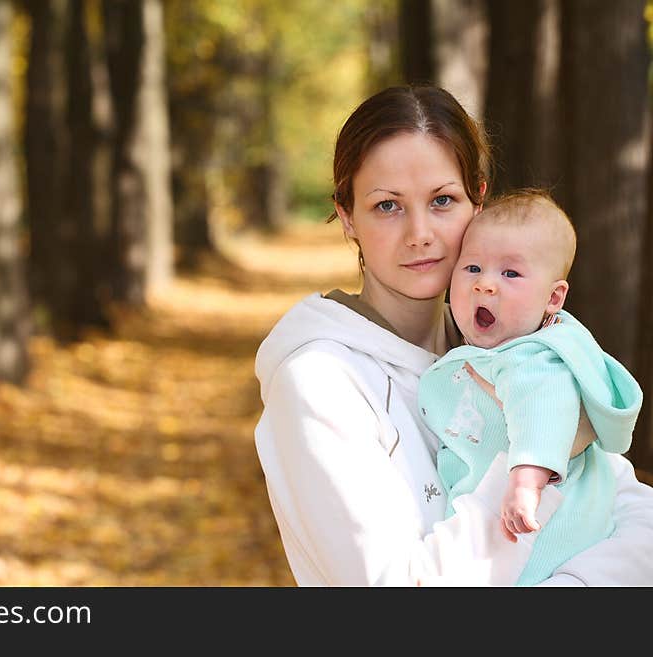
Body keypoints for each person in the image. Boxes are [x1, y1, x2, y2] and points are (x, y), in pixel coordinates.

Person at [253, 84, 653, 586]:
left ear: (478, 199)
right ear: (348, 215)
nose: (420, 232)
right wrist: (535, 459)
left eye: (442, 200)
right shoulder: (319, 383)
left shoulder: (508, 343)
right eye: (387, 206)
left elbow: (636, 518)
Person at [417, 190, 642, 586]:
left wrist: (526, 479)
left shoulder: (536, 358)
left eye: (511, 274)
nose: (485, 284)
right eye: (472, 268)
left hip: (537, 531)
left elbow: (543, 407)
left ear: (553, 298)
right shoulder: (507, 349)